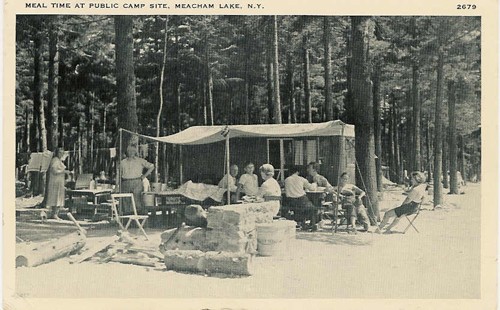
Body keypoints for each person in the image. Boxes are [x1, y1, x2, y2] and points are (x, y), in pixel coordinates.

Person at [120, 144, 154, 215]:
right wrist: (117, 185)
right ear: (127, 152)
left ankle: (139, 219)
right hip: (125, 182)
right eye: (129, 151)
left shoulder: (140, 161)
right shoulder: (122, 162)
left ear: (135, 152)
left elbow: (152, 166)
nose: (131, 152)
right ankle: (128, 220)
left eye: (133, 151)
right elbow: (119, 174)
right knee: (126, 202)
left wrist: (144, 176)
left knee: (137, 201)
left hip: (137, 182)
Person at [284, 166, 319, 231]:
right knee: (314, 209)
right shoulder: (301, 179)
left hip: (291, 202)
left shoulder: (286, 180)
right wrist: (315, 183)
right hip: (301, 200)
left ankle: (302, 223)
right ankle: (312, 225)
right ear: (297, 172)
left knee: (300, 210)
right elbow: (311, 188)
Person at [45, 148, 70, 220]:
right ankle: (54, 214)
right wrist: (64, 171)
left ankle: (55, 213)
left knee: (59, 197)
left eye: (62, 153)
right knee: (56, 197)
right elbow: (54, 170)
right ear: (57, 153)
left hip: (59, 181)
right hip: (55, 181)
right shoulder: (55, 160)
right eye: (60, 153)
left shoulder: (59, 160)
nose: (61, 154)